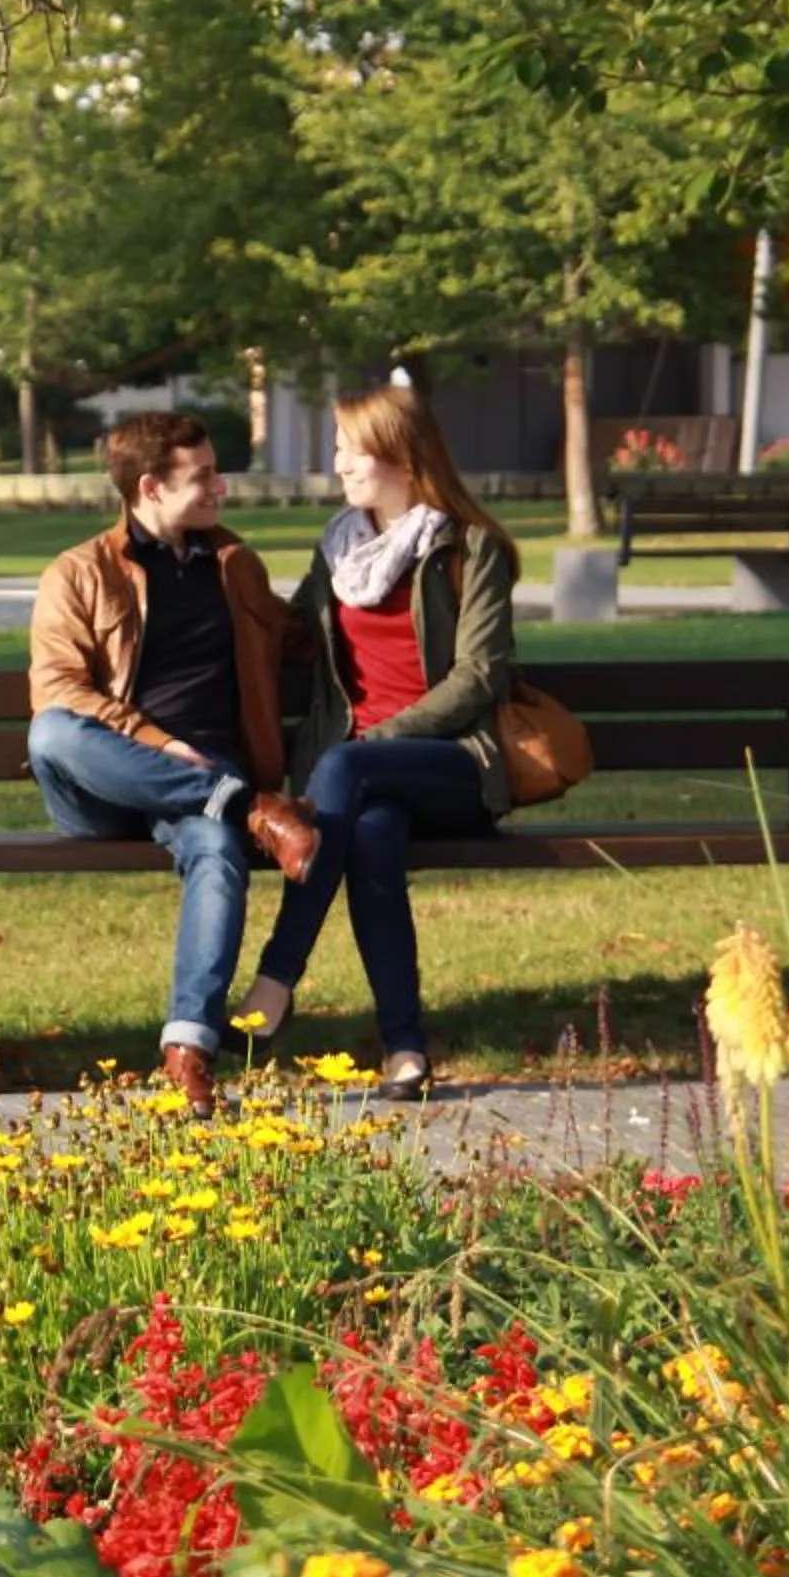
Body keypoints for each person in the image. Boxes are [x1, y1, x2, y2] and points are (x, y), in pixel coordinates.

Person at [26, 410, 321, 1120]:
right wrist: (154, 741)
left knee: (218, 849)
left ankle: (188, 1051)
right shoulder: (79, 572)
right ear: (151, 487)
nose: (222, 487)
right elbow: (59, 689)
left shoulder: (234, 565)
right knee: (50, 733)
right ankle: (246, 805)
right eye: (204, 476)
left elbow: (299, 638)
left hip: (203, 785)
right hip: (108, 783)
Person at [235, 385, 517, 1102]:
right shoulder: (340, 548)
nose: (338, 464)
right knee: (373, 838)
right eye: (338, 449)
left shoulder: (469, 547)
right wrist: (225, 580)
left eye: (351, 450)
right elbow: (294, 633)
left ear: (402, 455)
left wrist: (380, 741)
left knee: (349, 768)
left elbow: (480, 676)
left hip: (452, 762)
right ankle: (406, 1048)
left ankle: (277, 977)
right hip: (358, 782)